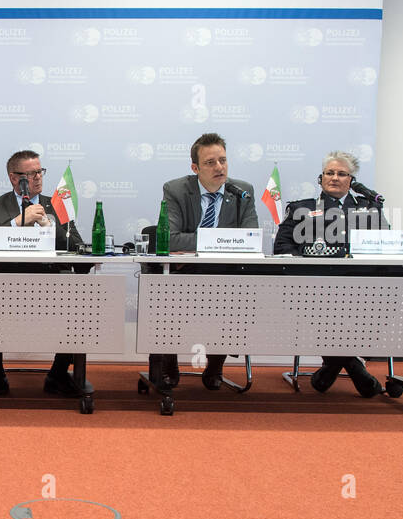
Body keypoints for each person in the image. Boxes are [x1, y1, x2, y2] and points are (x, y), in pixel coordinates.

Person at [0, 150, 83, 399]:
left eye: (40, 172)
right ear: (14, 178)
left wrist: (50, 227)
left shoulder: (56, 204)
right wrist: (18, 221)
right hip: (5, 284)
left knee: (78, 303)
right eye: (31, 174)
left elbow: (77, 244)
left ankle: (59, 373)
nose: (38, 178)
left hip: (51, 283)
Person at [273, 150, 386, 397]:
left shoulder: (369, 209)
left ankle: (332, 365)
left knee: (351, 308)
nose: (334, 178)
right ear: (320, 178)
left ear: (352, 181)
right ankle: (354, 367)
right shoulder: (302, 208)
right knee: (327, 309)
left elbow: (384, 248)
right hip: (311, 290)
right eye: (329, 173)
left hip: (359, 291)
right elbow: (281, 247)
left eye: (341, 174)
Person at [153, 132, 259, 390]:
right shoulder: (176, 189)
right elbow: (172, 240)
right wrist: (219, 241)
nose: (219, 167)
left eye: (223, 160)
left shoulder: (242, 191)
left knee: (235, 296)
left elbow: (251, 239)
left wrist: (210, 243)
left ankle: (215, 365)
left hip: (226, 275)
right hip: (185, 273)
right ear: (195, 168)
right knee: (165, 295)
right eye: (210, 162)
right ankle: (169, 364)